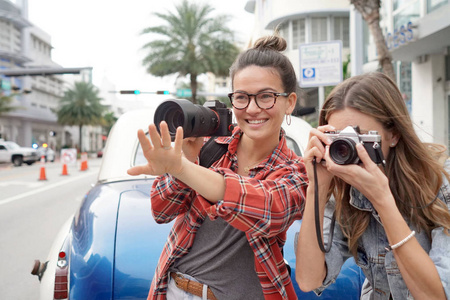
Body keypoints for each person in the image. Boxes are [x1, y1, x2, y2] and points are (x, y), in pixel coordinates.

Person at [128, 33, 308, 300]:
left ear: (289, 102)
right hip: (176, 291)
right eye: (242, 97)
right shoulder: (211, 149)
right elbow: (161, 211)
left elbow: (270, 210)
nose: (253, 109)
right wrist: (187, 161)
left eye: (266, 97)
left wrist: (183, 169)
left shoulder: (296, 171)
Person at [295, 72, 450, 300]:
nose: (349, 151)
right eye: (340, 140)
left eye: (363, 139)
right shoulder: (343, 188)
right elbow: (309, 280)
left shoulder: (439, 181)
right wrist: (316, 188)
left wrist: (382, 200)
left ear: (394, 135)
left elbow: (436, 296)